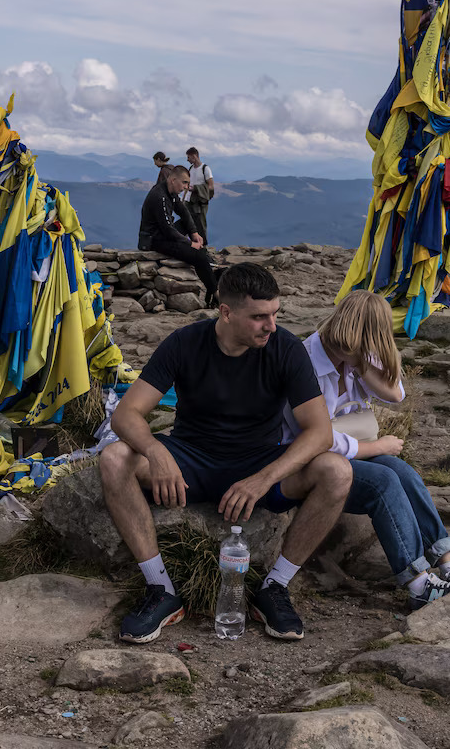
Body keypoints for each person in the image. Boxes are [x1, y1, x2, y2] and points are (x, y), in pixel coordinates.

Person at [98, 264, 353, 643]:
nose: (270, 325)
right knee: (115, 458)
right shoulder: (184, 343)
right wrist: (156, 451)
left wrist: (262, 479)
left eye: (275, 314)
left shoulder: (285, 349)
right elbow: (126, 413)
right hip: (190, 459)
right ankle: (161, 590)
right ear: (226, 311)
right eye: (259, 317)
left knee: (337, 471)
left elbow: (319, 433)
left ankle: (275, 588)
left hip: (258, 461)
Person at [282, 291, 450, 610]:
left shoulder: (353, 354)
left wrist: (361, 361)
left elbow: (395, 394)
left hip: (339, 452)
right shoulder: (305, 363)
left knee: (403, 472)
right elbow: (316, 437)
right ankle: (418, 583)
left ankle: (447, 563)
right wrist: (376, 447)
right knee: (384, 480)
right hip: (302, 459)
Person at [139, 166, 218, 307]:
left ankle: (203, 250)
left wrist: (194, 233)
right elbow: (168, 230)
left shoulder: (170, 192)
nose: (186, 187)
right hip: (155, 240)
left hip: (163, 234)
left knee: (194, 216)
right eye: (184, 182)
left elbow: (184, 212)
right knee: (198, 257)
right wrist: (189, 244)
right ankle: (215, 293)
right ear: (173, 180)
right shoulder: (160, 196)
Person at [184, 146, 215, 246]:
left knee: (201, 223)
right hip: (189, 200)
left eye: (188, 157)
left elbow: (210, 186)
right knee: (188, 222)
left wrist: (196, 188)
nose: (187, 159)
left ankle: (203, 245)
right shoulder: (191, 169)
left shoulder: (205, 169)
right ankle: (191, 244)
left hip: (200, 201)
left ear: (194, 156)